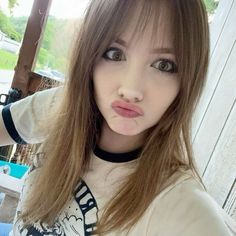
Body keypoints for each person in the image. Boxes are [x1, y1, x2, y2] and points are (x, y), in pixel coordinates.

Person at [0, 0, 235, 235]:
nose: (131, 89)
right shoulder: (61, 107)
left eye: (163, 65)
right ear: (89, 57)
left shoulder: (184, 211)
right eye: (115, 53)